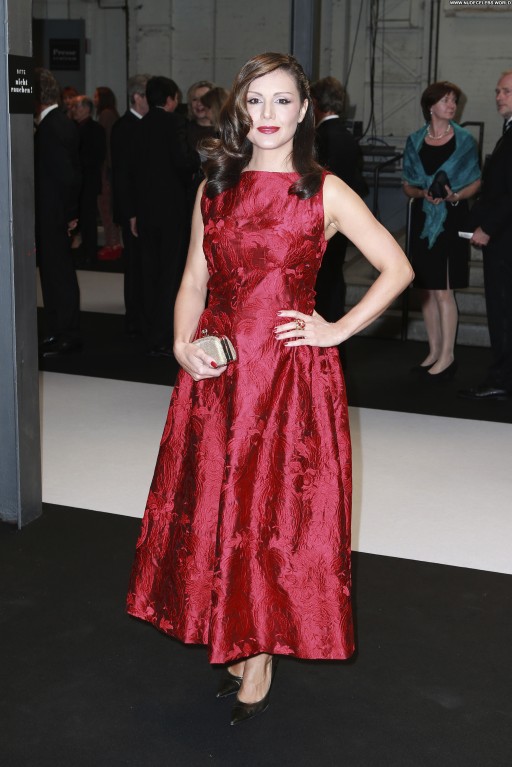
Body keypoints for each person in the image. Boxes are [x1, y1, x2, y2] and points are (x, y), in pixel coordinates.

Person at [126, 52, 413, 726]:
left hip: (286, 377)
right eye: (254, 101)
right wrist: (182, 344)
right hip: (220, 373)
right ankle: (233, 625)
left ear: (304, 110)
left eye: (282, 100)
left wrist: (336, 329)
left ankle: (258, 651)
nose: (267, 115)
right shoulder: (215, 185)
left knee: (268, 512)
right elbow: (193, 279)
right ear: (239, 108)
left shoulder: (324, 190)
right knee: (218, 506)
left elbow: (397, 268)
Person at [403, 81, 481, 380]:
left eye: (454, 101)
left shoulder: (464, 141)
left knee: (445, 291)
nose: (452, 106)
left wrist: (455, 196)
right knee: (428, 290)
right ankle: (434, 351)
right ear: (431, 106)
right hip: (423, 220)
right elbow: (408, 185)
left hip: (453, 217)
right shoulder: (415, 141)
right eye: (446, 100)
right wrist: (422, 193)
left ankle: (447, 356)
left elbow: (476, 181)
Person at [129, 76, 198, 356]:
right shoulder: (175, 123)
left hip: (145, 210)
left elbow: (131, 171)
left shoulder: (138, 125)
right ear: (170, 99)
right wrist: (196, 162)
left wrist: (133, 212)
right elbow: (183, 162)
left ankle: (149, 332)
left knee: (149, 272)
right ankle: (164, 335)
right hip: (172, 210)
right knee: (170, 274)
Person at [458, 70, 512, 399]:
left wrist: (487, 228)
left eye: (506, 91)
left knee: (502, 310)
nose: (498, 97)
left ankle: (502, 379)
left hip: (505, 242)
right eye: (497, 91)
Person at [310, 75, 367, 322]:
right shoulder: (346, 136)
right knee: (333, 275)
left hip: (323, 218)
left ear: (315, 103)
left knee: (324, 279)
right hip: (343, 216)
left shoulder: (320, 138)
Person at [34, 69, 82, 357]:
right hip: (57, 213)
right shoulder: (59, 123)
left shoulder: (51, 127)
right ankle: (58, 330)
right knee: (55, 274)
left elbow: (67, 177)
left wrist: (68, 214)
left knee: (58, 275)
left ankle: (65, 333)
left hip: (53, 214)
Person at [110, 74, 150, 336]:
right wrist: (131, 213)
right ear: (137, 97)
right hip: (133, 209)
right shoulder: (125, 127)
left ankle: (140, 316)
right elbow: (122, 175)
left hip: (142, 208)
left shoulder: (142, 125)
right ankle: (134, 319)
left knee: (142, 264)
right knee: (134, 265)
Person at [72, 95, 106, 266]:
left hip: (88, 181)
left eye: (77, 107)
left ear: (86, 109)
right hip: (78, 181)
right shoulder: (74, 127)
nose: (74, 111)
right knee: (79, 217)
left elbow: (97, 156)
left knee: (88, 218)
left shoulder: (95, 129)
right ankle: (83, 250)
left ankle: (90, 253)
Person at [94, 86, 122, 259]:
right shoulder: (110, 113)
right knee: (108, 207)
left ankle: (113, 244)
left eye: (96, 96)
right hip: (110, 167)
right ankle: (113, 243)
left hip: (106, 168)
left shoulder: (106, 115)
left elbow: (105, 144)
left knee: (106, 208)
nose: (94, 99)